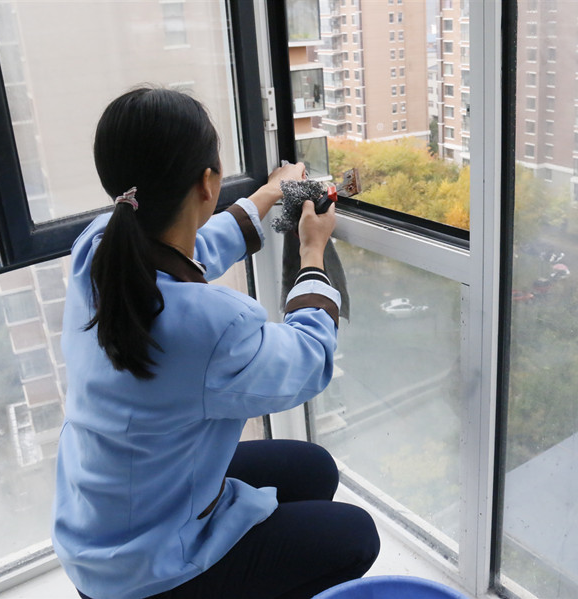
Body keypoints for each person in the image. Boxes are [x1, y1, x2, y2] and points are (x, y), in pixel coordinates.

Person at [52, 86, 380, 599]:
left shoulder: (98, 250)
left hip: (103, 515)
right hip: (145, 570)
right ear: (208, 182)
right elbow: (309, 357)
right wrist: (312, 252)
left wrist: (268, 195)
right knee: (357, 536)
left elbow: (190, 246)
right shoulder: (211, 326)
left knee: (313, 469)